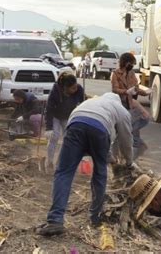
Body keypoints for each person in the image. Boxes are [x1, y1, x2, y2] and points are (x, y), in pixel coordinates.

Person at [37, 93, 136, 236]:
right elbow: (126, 140)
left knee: (64, 172)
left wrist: (109, 157)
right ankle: (95, 217)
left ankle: (55, 220)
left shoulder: (93, 101)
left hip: (75, 126)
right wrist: (129, 161)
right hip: (99, 131)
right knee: (100, 173)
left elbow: (80, 125)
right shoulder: (121, 110)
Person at [111, 52, 150, 158]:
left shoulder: (132, 73)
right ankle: (117, 158)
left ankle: (132, 159)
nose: (132, 65)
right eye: (131, 63)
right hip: (120, 104)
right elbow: (114, 89)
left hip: (130, 103)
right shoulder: (115, 74)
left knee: (142, 121)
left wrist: (144, 92)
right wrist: (126, 91)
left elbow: (136, 87)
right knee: (120, 130)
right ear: (126, 63)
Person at [44, 73, 84, 169]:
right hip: (55, 116)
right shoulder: (55, 91)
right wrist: (48, 127)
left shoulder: (79, 89)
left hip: (68, 116)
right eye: (73, 88)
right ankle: (49, 161)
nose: (75, 89)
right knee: (54, 136)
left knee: (67, 138)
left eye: (76, 86)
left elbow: (83, 102)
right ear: (65, 87)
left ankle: (59, 162)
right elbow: (49, 109)